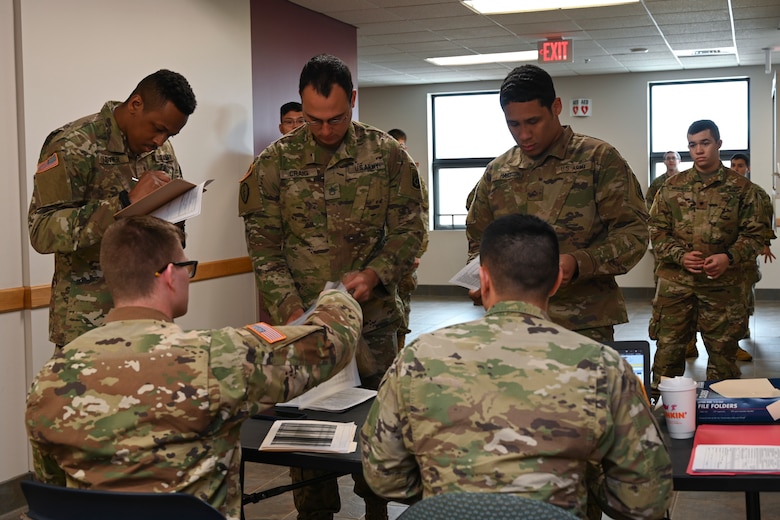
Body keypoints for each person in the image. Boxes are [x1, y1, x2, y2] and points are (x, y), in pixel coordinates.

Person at [25, 215, 362, 520]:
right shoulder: (215, 357)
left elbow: (52, 483)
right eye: (188, 267)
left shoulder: (51, 376)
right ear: (171, 275)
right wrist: (338, 295)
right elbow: (332, 343)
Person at [360, 213, 673, 519]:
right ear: (556, 282)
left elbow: (384, 474)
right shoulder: (602, 366)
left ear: (482, 280)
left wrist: (447, 497)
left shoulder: (419, 357)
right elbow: (645, 499)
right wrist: (579, 486)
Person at [239, 54, 426, 520]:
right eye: (313, 119)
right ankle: (314, 512)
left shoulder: (387, 156)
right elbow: (264, 245)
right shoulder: (274, 163)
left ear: (353, 102)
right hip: (304, 321)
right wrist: (288, 308)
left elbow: (410, 230)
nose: (324, 130)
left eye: (336, 118)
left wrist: (375, 273)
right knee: (304, 421)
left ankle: (377, 508)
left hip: (374, 319)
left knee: (377, 422)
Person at [466, 64, 649, 343]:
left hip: (583, 322)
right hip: (512, 322)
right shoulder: (498, 172)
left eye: (533, 121)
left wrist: (578, 263)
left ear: (556, 107)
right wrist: (480, 276)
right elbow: (479, 240)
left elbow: (634, 234)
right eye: (513, 124)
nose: (524, 135)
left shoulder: (598, 159)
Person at [28, 69, 197, 349]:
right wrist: (123, 204)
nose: (160, 141)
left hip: (152, 312)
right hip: (88, 320)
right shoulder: (73, 145)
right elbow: (42, 231)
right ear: (135, 105)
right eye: (158, 128)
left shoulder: (162, 153)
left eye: (170, 134)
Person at [649, 120, 765, 393]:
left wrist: (730, 257)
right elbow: (657, 231)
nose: (698, 150)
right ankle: (662, 416)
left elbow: (756, 235)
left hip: (722, 286)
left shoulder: (744, 190)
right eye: (692, 144)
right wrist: (679, 255)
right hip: (677, 285)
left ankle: (719, 417)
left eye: (705, 143)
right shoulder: (671, 187)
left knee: (722, 359)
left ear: (718, 144)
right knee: (667, 354)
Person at [729, 153, 776, 361]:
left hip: (746, 256)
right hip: (724, 255)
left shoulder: (757, 193)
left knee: (743, 299)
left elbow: (766, 219)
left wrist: (765, 243)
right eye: (733, 165)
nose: (735, 168)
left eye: (740, 165)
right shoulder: (724, 191)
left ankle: (738, 337)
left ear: (747, 168)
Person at [386, 127, 428, 348]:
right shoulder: (378, 175)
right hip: (380, 255)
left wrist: (417, 251)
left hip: (405, 254)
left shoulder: (413, 176)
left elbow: (421, 215)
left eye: (401, 147)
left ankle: (400, 351)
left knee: (403, 304)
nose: (398, 151)